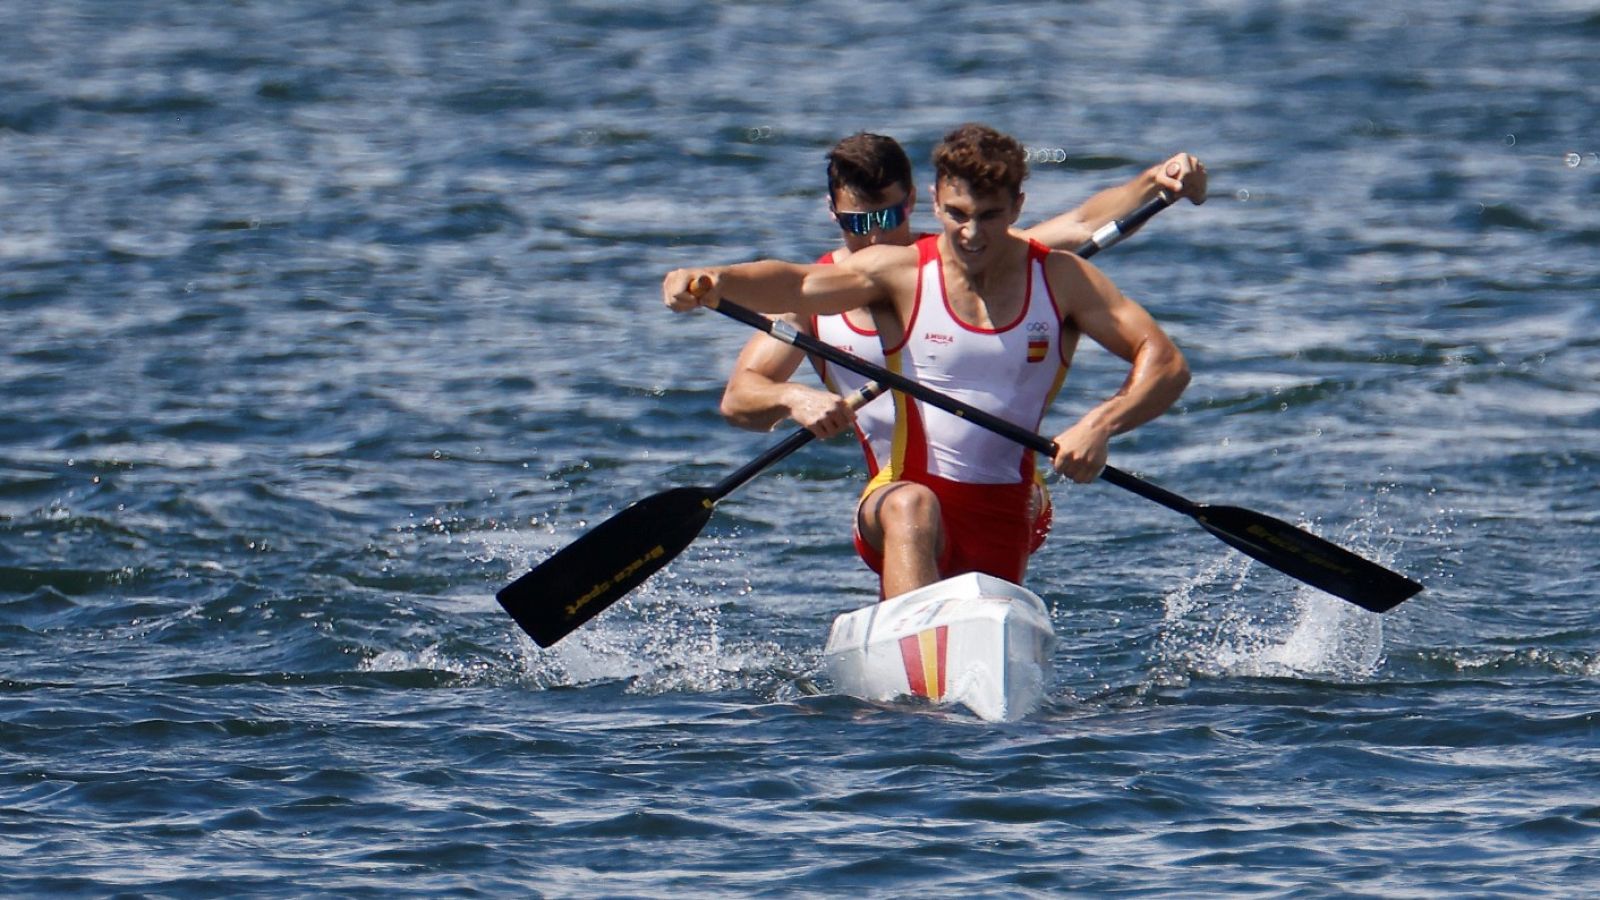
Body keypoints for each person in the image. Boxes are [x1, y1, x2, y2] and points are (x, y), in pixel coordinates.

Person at [664, 124, 1191, 601]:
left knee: (1008, 511)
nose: (874, 234)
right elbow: (792, 291)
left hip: (1008, 497)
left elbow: (1081, 222)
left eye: (888, 216)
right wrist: (716, 282)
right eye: (858, 221)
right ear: (938, 205)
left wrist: (1153, 183)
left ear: (915, 203)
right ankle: (914, 662)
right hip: (899, 493)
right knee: (911, 505)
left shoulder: (1007, 257)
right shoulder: (879, 276)